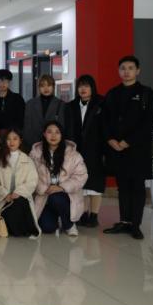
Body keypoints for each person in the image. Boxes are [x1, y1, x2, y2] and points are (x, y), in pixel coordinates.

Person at [103, 56, 153, 240]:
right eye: (123, 68)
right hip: (116, 148)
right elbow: (105, 120)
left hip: (138, 149)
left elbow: (148, 123)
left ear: (138, 71)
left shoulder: (147, 94)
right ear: (118, 71)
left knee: (137, 186)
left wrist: (128, 141)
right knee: (123, 186)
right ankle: (124, 221)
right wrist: (110, 139)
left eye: (130, 68)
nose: (126, 72)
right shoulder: (112, 94)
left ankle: (136, 224)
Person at [31, 121, 88, 236]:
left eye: (57, 132)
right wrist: (43, 188)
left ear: (62, 135)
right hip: (45, 196)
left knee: (56, 197)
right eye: (49, 132)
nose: (53, 135)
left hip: (66, 196)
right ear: (44, 134)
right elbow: (30, 175)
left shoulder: (73, 154)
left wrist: (61, 187)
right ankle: (59, 218)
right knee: (47, 227)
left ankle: (69, 225)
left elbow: (81, 176)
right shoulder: (35, 153)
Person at [66, 75, 106, 228]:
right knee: (80, 184)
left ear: (92, 88)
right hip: (76, 151)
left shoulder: (101, 103)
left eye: (86, 86)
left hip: (96, 150)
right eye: (80, 86)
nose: (83, 89)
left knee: (95, 184)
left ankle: (94, 215)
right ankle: (82, 213)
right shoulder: (71, 106)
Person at [0, 128, 40, 237]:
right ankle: (19, 229)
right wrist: (5, 194)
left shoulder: (27, 160)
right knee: (15, 211)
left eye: (15, 139)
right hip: (3, 201)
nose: (11, 142)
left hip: (20, 198)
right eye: (8, 139)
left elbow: (32, 181)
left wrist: (18, 192)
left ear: (20, 141)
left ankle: (20, 229)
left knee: (21, 202)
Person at [23, 74, 66, 150]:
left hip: (54, 146)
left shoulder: (61, 104)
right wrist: (33, 146)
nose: (46, 88)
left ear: (53, 87)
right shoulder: (30, 104)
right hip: (33, 146)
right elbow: (27, 128)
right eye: (42, 86)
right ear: (38, 88)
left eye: (49, 85)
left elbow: (62, 127)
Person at [0, 69, 25, 154]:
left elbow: (21, 120)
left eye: (5, 81)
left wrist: (11, 136)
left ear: (9, 82)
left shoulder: (17, 99)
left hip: (13, 138)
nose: (2, 84)